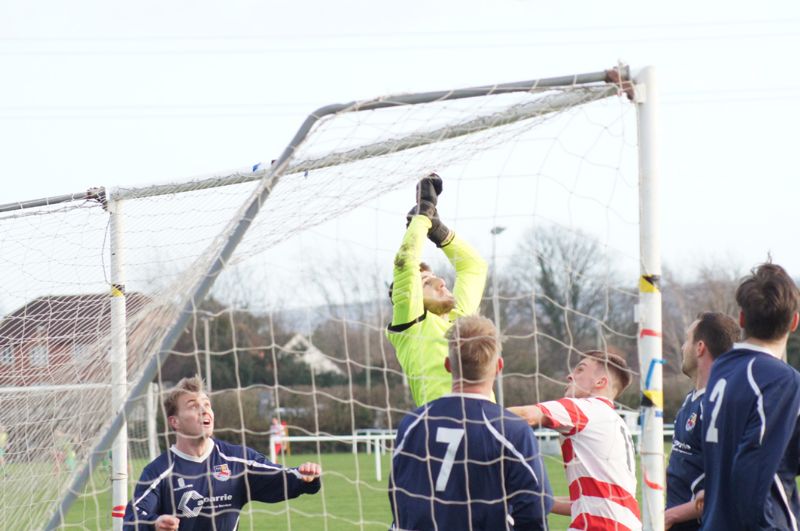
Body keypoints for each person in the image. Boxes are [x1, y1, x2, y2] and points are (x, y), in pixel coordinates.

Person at [389, 315, 552, 530]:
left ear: (448, 365)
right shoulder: (511, 430)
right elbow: (535, 507)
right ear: (499, 367)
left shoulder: (412, 423)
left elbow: (398, 495)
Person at [123, 376, 321, 530]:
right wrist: (155, 524)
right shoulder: (158, 471)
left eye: (207, 404)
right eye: (193, 406)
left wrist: (304, 478)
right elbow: (132, 519)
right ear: (175, 422)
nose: (204, 410)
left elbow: (279, 477)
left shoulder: (237, 460)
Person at [700, 263, 800, 530]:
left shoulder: (722, 367)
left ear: (741, 318)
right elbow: (751, 469)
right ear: (794, 321)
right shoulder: (780, 379)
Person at [509, 350, 641, 531]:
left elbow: (527, 415)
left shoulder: (587, 408)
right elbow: (589, 502)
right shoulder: (615, 421)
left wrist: (471, 412)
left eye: (580, 370)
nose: (569, 375)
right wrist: (540, 501)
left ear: (600, 382)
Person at [386, 173, 488, 406]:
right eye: (425, 283)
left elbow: (474, 267)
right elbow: (406, 260)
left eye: (435, 278)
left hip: (488, 424)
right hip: (440, 429)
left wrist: (438, 231)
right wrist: (423, 213)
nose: (440, 282)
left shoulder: (459, 320)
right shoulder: (412, 325)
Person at [664, 312, 739, 531]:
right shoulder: (691, 400)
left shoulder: (718, 405)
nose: (682, 348)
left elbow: (728, 483)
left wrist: (672, 515)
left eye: (687, 340)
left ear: (700, 348)